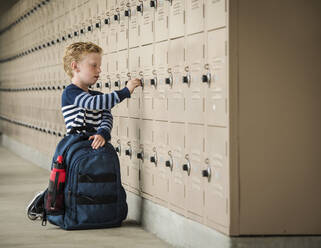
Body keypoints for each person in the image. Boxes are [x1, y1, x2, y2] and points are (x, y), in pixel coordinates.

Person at [61, 42, 141, 149]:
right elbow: (92, 103)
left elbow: (107, 118)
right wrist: (125, 91)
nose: (99, 70)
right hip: (77, 149)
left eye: (99, 66)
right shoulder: (70, 92)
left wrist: (103, 133)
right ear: (75, 66)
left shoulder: (97, 96)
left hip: (95, 149)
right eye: (94, 65)